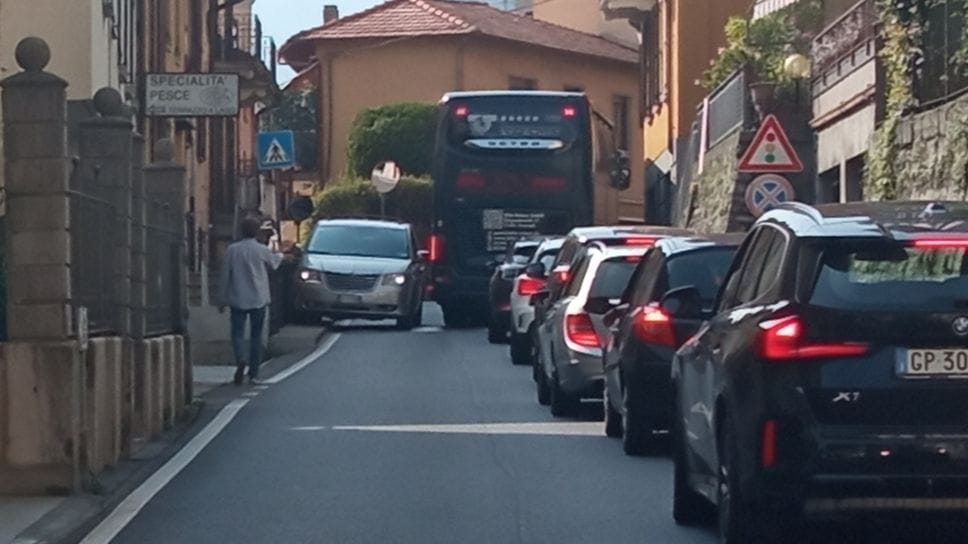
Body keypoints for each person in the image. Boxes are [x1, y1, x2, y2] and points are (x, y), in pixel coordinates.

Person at [219, 216, 284, 385]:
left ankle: (240, 358)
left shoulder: (232, 250)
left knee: (237, 334)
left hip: (238, 297)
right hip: (259, 298)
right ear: (256, 232)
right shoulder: (261, 250)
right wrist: (281, 253)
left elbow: (225, 275)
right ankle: (254, 374)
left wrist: (222, 298)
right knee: (256, 336)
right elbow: (275, 264)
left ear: (241, 231)